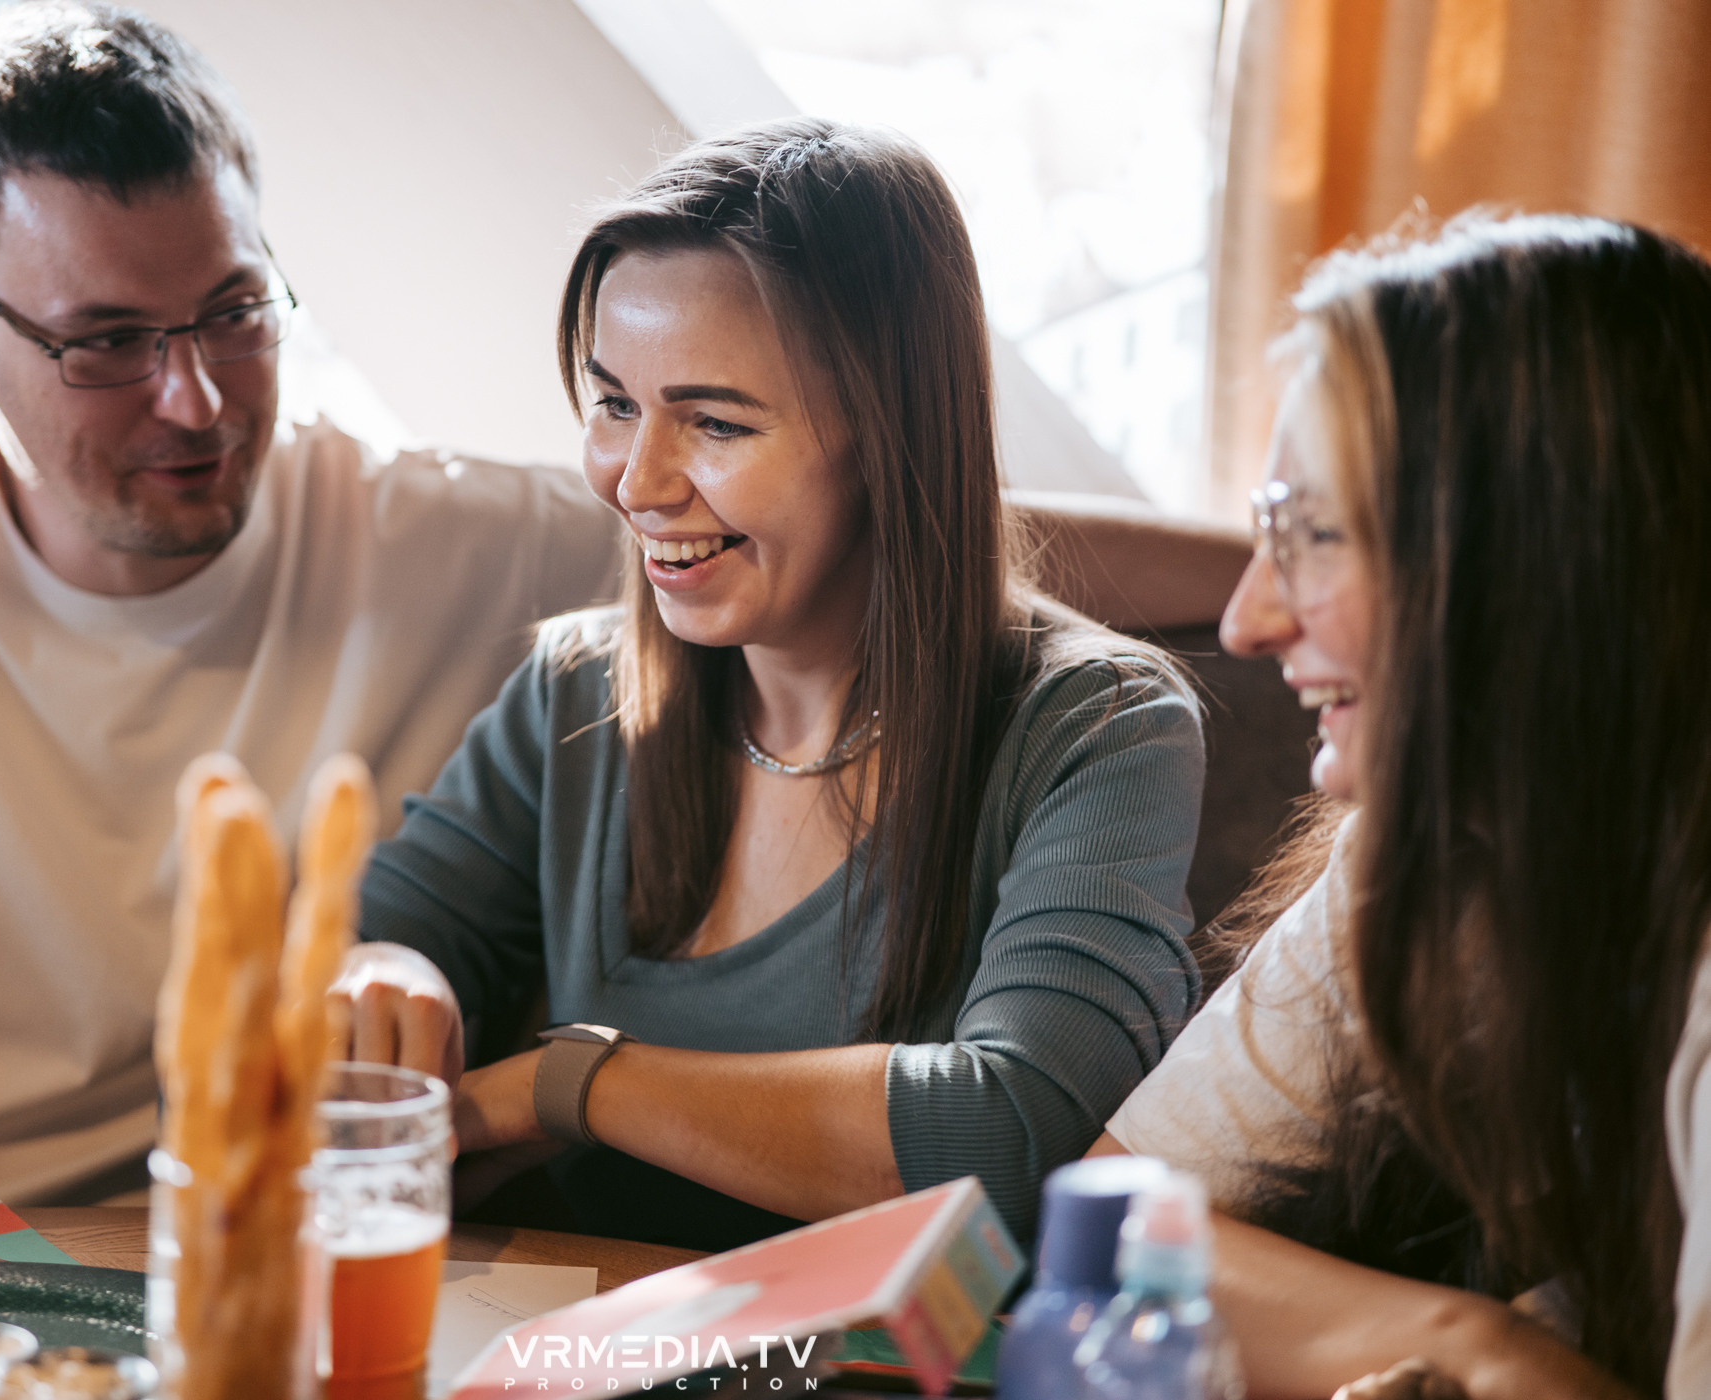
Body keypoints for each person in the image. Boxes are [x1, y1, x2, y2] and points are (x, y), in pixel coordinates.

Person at [0, 2, 619, 1218]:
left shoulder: (458, 546)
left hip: (220, 1280)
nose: (195, 401)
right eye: (109, 343)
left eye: (235, 312)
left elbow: (800, 543)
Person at [332, 119, 1207, 1252]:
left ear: (888, 433)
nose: (636, 481)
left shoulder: (1101, 728)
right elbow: (369, 942)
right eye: (612, 402)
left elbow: (1016, 1135)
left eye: (714, 421)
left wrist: (573, 1082)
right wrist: (384, 976)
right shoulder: (575, 690)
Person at [1094, 214, 1711, 1398]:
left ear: (1542, 567)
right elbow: (1123, 1219)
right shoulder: (1434, 846)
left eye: (1317, 533)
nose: (1246, 621)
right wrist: (1484, 1348)